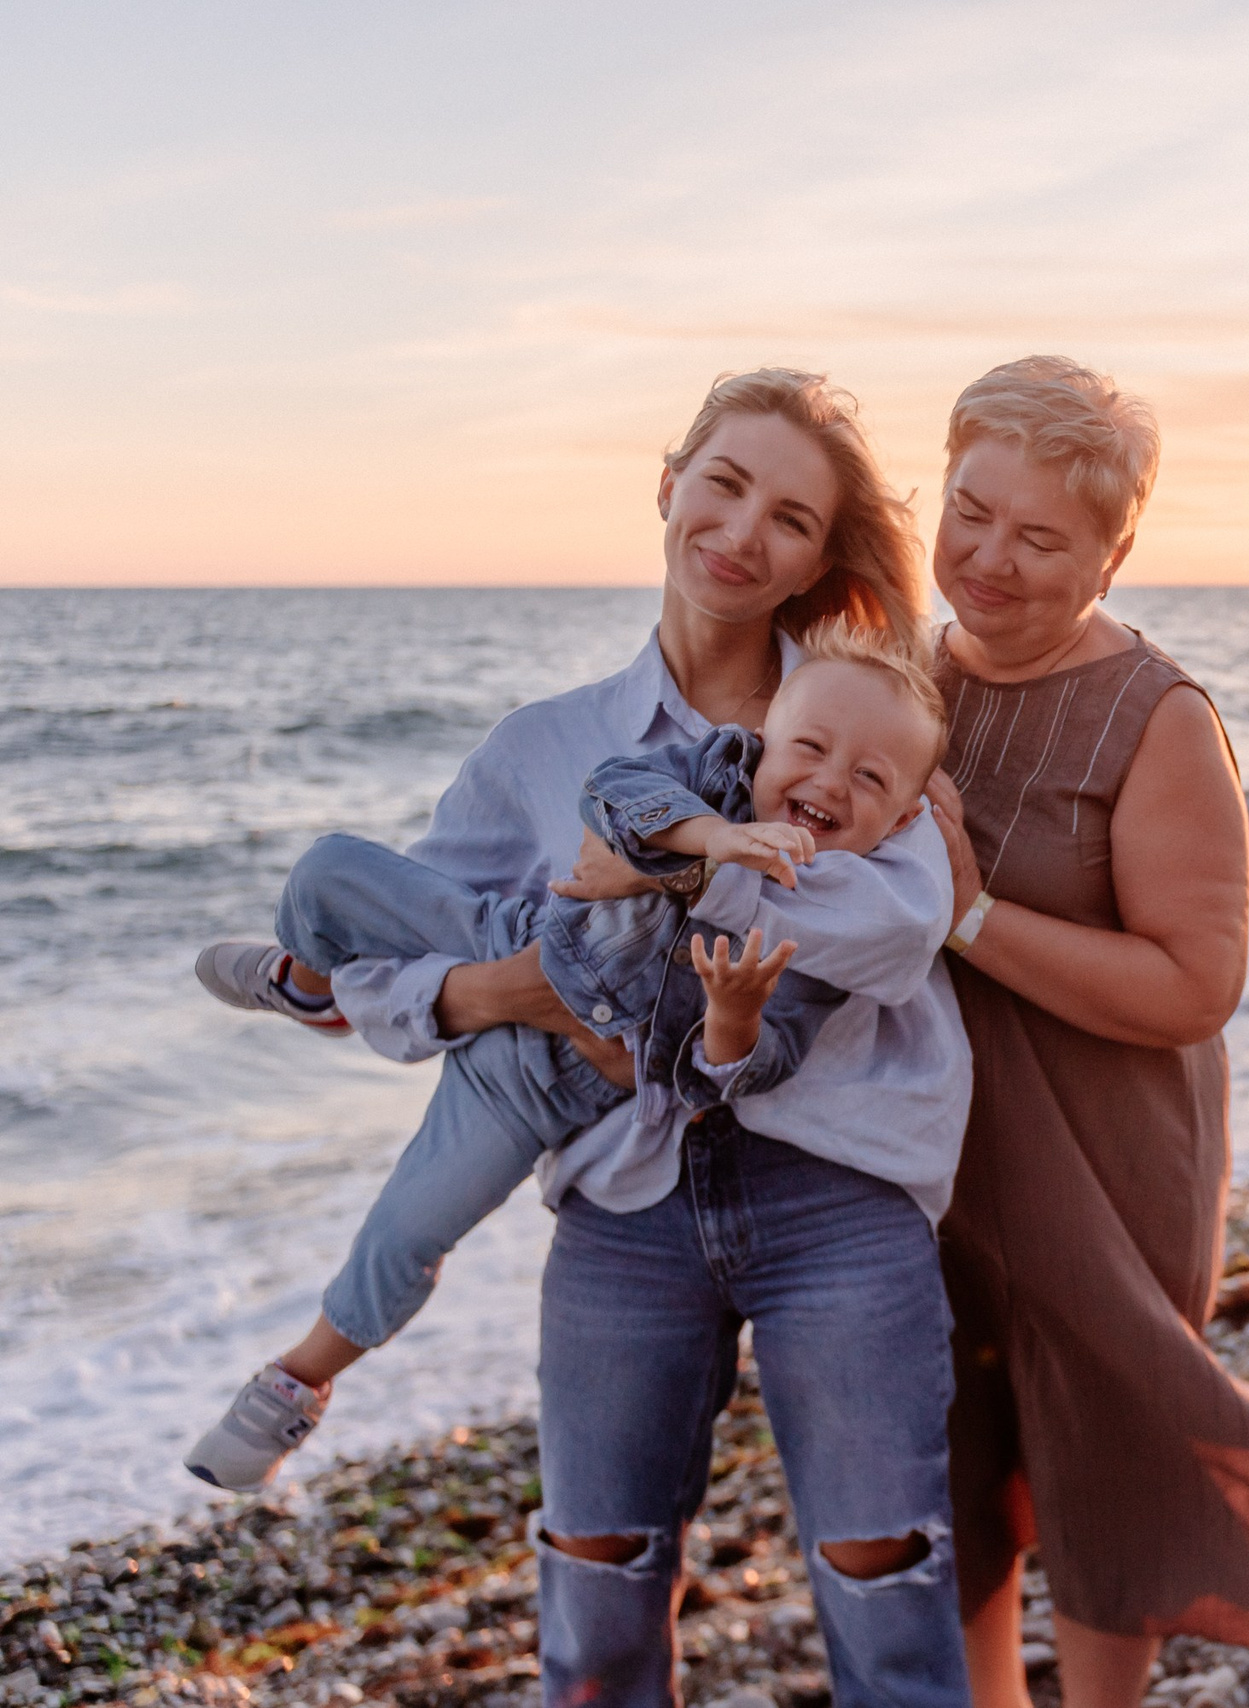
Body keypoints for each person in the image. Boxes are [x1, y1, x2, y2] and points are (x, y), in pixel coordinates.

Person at [198, 368, 972, 1708]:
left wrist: (654, 887)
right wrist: (510, 991)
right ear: (667, 484)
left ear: (815, 561)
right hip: (621, 1200)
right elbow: (409, 961)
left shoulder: (861, 726)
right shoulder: (543, 748)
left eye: (791, 517)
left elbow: (896, 934)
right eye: (722, 484)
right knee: (597, 1592)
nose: (742, 531)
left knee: (881, 1582)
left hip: (833, 1191)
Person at [184, 630, 950, 1493]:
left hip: (541, 1087)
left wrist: (733, 1018)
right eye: (811, 747)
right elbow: (614, 790)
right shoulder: (716, 769)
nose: (829, 781)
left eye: (871, 779)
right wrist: (711, 841)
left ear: (903, 820)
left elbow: (739, 1072)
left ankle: (301, 1376)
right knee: (327, 870)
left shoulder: (827, 934)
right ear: (766, 734)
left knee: (408, 1228)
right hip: (523, 940)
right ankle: (310, 981)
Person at [923, 356, 1249, 1708]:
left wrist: (973, 917)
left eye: (1040, 537)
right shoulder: (890, 670)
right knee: (949, 1481)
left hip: (1107, 1167)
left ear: (1114, 552)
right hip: (924, 1160)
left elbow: (1194, 984)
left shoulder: (1157, 718)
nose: (990, 559)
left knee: (1103, 1478)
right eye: (970, 510)